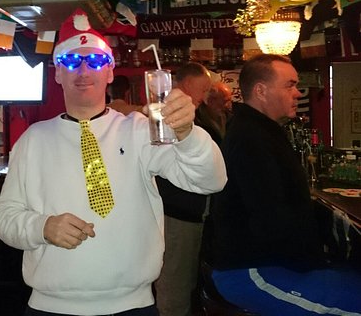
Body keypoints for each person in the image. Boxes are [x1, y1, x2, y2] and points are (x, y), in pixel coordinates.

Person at [0, 9, 227, 316]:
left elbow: (210, 180)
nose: (83, 70)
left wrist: (187, 133)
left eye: (95, 60)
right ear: (58, 73)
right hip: (50, 306)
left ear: (110, 72)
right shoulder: (33, 139)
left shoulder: (140, 130)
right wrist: (42, 227)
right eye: (71, 61)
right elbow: (4, 215)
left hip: (133, 305)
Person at [210, 54, 361, 315]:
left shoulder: (261, 131)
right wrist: (316, 261)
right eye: (290, 85)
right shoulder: (250, 139)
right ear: (261, 91)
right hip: (251, 270)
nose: (298, 93)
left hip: (270, 262)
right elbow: (270, 219)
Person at [154, 62, 214, 316]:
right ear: (188, 84)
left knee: (183, 285)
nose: (206, 95)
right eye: (204, 89)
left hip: (188, 213)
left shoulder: (197, 115)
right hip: (176, 215)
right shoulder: (164, 115)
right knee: (174, 290)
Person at [195, 81, 232, 146]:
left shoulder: (230, 117)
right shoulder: (197, 123)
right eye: (225, 101)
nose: (228, 106)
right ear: (211, 101)